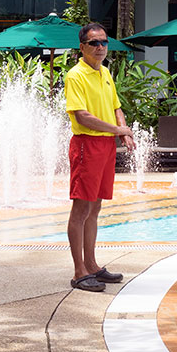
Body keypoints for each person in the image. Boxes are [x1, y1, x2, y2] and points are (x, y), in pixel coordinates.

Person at [64, 22, 135, 292]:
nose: (100, 47)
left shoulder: (105, 72)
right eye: (94, 43)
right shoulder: (76, 75)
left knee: (95, 208)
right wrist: (117, 129)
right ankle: (79, 271)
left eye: (104, 42)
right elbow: (82, 115)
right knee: (81, 208)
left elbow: (116, 106)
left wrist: (123, 133)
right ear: (82, 47)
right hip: (87, 144)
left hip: (105, 147)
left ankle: (92, 264)